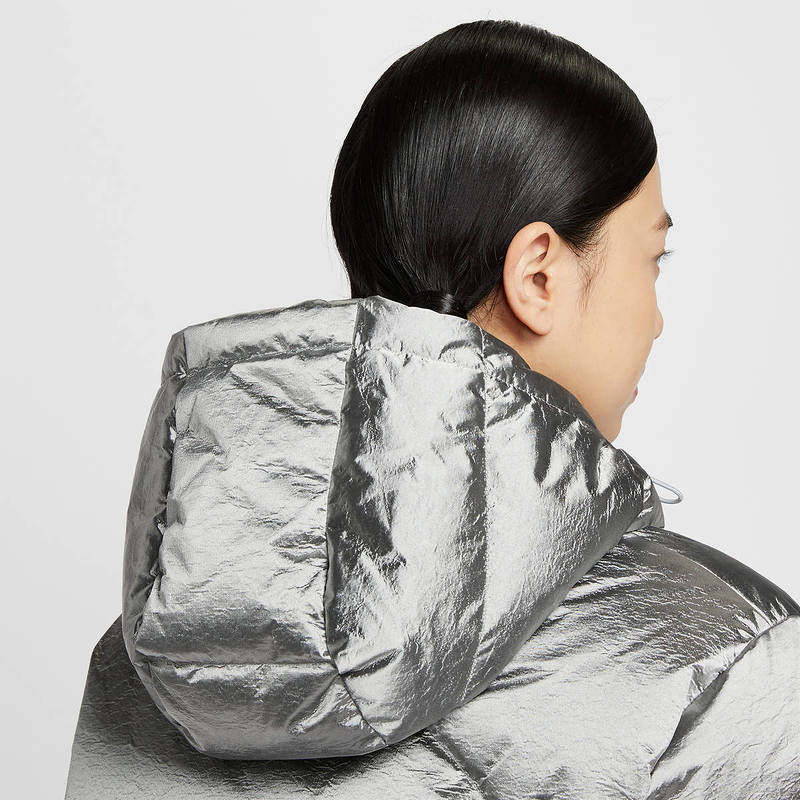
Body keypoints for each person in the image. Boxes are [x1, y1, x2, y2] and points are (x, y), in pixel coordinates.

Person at [64, 19, 800, 800]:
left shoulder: (155, 665)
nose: (655, 319)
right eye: (654, 258)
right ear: (539, 276)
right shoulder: (726, 674)